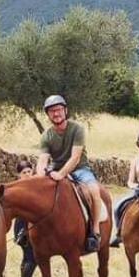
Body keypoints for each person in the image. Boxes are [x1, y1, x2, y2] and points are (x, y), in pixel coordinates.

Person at [36, 95, 103, 252]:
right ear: (48, 115)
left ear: (65, 110)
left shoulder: (77, 129)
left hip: (80, 168)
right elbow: (43, 160)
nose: (56, 113)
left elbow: (75, 157)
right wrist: (39, 176)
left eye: (59, 109)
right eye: (52, 111)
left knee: (95, 191)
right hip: (56, 168)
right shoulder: (46, 136)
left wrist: (61, 174)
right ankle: (27, 233)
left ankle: (95, 231)